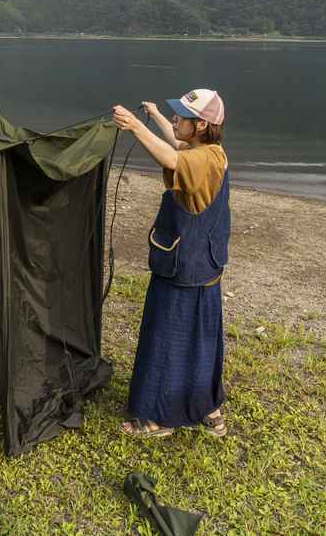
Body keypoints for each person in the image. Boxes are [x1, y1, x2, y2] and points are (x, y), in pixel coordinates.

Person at [111, 88, 230, 439]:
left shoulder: (201, 159)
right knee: (202, 339)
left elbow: (172, 159)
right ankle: (210, 409)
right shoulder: (210, 152)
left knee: (167, 338)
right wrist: (154, 116)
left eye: (181, 116)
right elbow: (177, 146)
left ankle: (157, 419)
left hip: (182, 266)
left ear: (203, 125)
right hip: (204, 267)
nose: (176, 119)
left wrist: (133, 126)